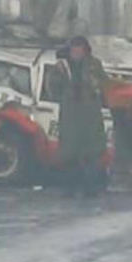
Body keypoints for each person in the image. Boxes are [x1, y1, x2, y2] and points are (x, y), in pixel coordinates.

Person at [52, 36, 110, 198]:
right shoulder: (61, 67)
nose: (77, 52)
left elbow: (104, 85)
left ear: (85, 50)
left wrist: (96, 89)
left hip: (90, 115)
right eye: (74, 48)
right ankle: (69, 187)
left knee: (92, 154)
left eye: (80, 48)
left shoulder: (94, 65)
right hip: (70, 115)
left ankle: (90, 188)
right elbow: (52, 88)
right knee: (69, 154)